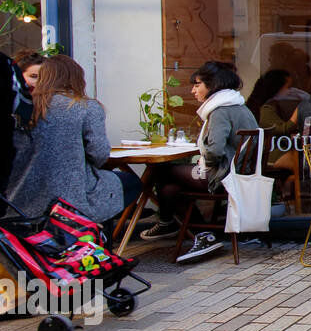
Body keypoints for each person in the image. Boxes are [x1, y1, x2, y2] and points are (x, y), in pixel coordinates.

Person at [141, 61, 259, 262]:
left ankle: (168, 223)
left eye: (197, 85)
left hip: (224, 176)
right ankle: (203, 235)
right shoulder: (238, 105)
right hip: (239, 174)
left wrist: (202, 166)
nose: (192, 90)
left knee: (161, 170)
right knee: (169, 190)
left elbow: (214, 150)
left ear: (212, 85)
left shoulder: (220, 110)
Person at [6, 55, 143, 225]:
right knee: (128, 183)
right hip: (68, 201)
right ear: (77, 78)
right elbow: (99, 155)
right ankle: (99, 242)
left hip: (18, 201)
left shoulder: (23, 107)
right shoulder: (84, 107)